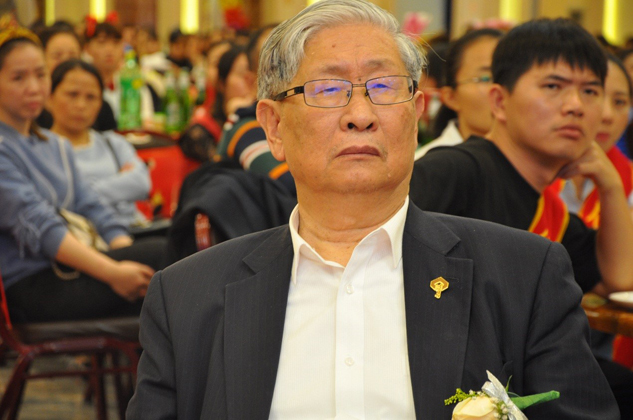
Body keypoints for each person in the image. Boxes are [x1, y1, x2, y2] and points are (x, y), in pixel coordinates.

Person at [127, 2, 618, 419]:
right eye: (327, 89)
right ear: (273, 127)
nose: (360, 115)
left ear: (416, 115)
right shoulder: (187, 297)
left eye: (383, 88)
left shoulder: (524, 275)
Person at [409, 18, 633, 417]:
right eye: (553, 86)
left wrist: (611, 185)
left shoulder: (550, 209)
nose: (575, 106)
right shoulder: (454, 170)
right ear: (499, 101)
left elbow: (620, 279)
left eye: (590, 91)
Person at [0, 27, 164, 323]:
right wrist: (114, 271)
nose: (34, 87)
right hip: (32, 285)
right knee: (168, 259)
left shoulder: (54, 146)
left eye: (40, 74)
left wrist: (125, 252)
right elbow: (42, 227)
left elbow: (92, 206)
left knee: (165, 272)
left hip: (73, 269)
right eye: (18, 78)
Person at [48, 59, 151, 227]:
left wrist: (84, 189)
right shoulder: (42, 149)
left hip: (135, 229)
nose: (81, 105)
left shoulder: (114, 143)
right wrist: (119, 181)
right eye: (72, 94)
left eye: (91, 97)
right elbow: (61, 201)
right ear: (49, 97)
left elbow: (141, 183)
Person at [215, 25, 297, 195]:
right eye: (279, 66)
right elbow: (289, 185)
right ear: (252, 81)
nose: (292, 73)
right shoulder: (245, 125)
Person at [416, 28, 503, 159]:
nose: (501, 89)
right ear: (451, 97)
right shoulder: (427, 165)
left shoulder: (530, 163)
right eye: (486, 78)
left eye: (508, 76)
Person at [84, 22, 155, 130]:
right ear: (87, 48)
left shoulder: (133, 83)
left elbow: (146, 122)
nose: (109, 49)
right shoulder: (81, 87)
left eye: (116, 43)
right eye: (102, 43)